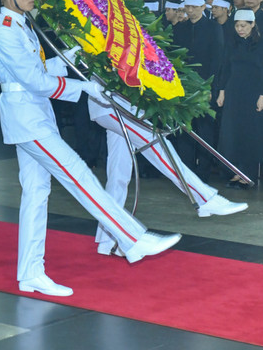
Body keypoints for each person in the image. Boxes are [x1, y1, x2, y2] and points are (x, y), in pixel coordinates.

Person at [0, 0, 181, 297]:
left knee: (37, 194)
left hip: (33, 115)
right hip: (27, 118)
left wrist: (76, 53)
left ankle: (31, 271)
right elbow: (38, 83)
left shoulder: (21, 26)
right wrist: (84, 88)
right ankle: (132, 238)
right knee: (78, 174)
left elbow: (44, 71)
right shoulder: (5, 32)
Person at [88, 93, 247, 256]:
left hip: (119, 106)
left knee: (118, 175)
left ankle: (108, 241)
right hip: (111, 106)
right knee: (157, 143)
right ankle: (204, 198)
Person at [172, 0, 223, 182]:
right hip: (184, 85)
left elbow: (217, 59)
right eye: (188, 6)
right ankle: (186, 171)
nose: (190, 10)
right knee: (185, 127)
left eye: (194, 7)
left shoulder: (213, 28)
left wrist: (211, 87)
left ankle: (204, 173)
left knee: (205, 129)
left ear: (203, 6)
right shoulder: (180, 28)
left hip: (204, 86)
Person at [217, 9, 263, 189]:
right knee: (232, 132)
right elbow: (225, 68)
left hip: (253, 93)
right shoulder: (232, 43)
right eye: (237, 25)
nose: (240, 29)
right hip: (234, 91)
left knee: (250, 133)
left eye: (243, 26)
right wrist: (222, 91)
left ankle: (247, 175)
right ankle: (235, 171)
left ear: (252, 25)